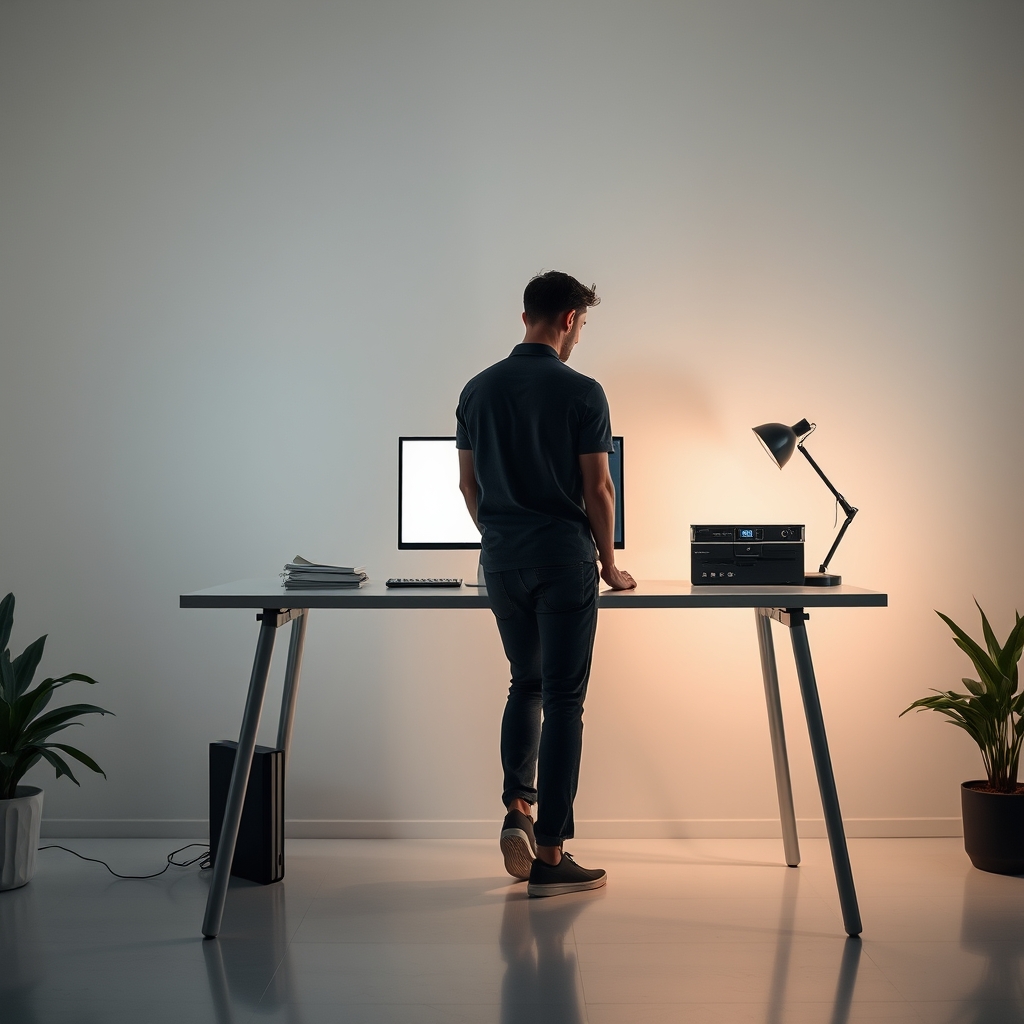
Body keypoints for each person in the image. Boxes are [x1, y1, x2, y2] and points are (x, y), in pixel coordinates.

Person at [455, 271, 636, 898]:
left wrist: (500, 538)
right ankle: (553, 855)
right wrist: (609, 565)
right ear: (566, 319)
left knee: (524, 682)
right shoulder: (582, 391)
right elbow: (600, 488)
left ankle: (518, 810)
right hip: (563, 561)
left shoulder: (477, 390)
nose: (579, 337)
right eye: (580, 325)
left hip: (501, 563)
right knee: (563, 698)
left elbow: (468, 487)